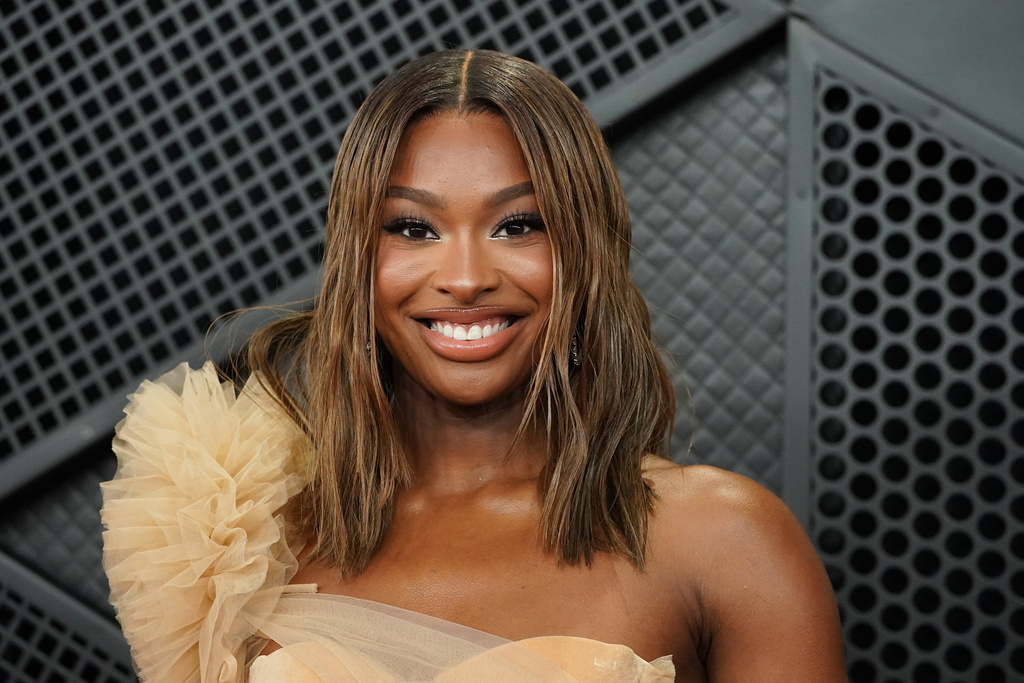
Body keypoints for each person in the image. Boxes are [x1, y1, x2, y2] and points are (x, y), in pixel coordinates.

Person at [101, 49, 846, 682]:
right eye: (413, 228)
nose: (464, 278)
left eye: (518, 225)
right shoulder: (252, 545)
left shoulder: (722, 539)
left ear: (584, 250)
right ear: (357, 257)